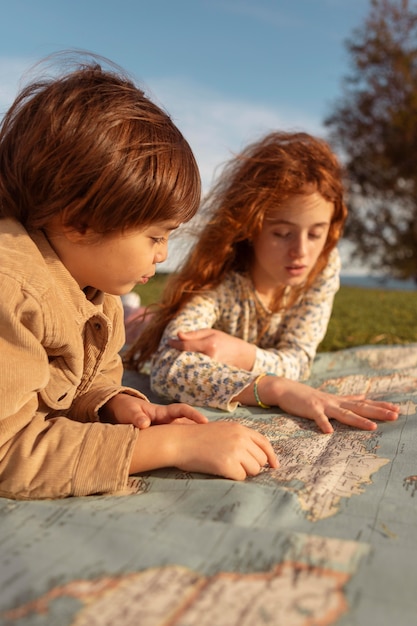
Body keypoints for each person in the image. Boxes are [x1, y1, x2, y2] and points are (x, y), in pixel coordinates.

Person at [0, 54, 278, 500]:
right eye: (155, 236)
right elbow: (9, 454)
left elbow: (80, 384)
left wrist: (112, 405)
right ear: (80, 221)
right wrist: (169, 444)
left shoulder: (97, 291)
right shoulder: (11, 289)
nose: (164, 253)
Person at [126, 131, 400, 434]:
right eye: (282, 233)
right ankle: (130, 312)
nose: (302, 252)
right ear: (251, 227)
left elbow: (299, 357)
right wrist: (277, 389)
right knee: (137, 326)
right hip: (138, 328)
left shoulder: (322, 266)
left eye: (316, 233)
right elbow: (169, 369)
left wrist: (243, 354)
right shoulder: (222, 283)